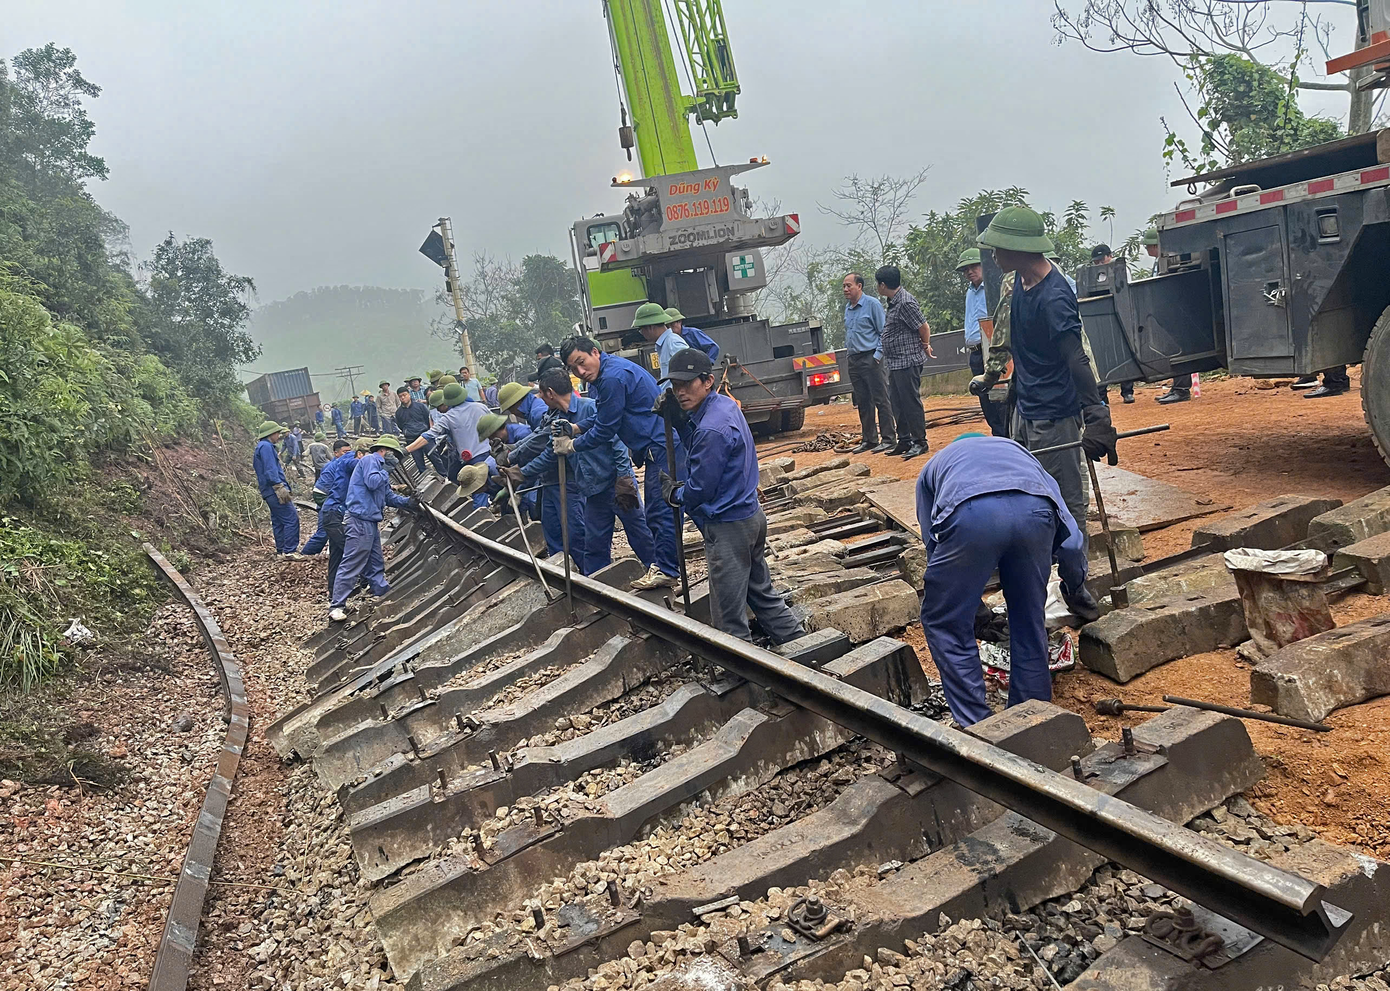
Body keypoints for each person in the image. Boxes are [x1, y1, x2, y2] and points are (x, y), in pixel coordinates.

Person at [915, 434, 1096, 726]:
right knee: (1029, 620)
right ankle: (1032, 719)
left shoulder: (932, 468)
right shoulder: (1023, 457)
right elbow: (1073, 544)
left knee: (945, 622)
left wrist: (973, 612)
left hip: (971, 515)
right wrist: (1075, 590)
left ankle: (978, 725)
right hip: (1036, 514)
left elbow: (935, 548)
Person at [975, 206, 1118, 556]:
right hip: (1026, 409)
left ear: (1018, 249)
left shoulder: (1054, 296)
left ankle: (1075, 575)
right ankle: (1043, 567)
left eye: (998, 248)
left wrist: (1097, 414)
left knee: (1065, 503)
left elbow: (1075, 357)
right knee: (1031, 495)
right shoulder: (1019, 284)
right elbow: (1017, 343)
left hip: (1054, 416)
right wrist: (1007, 386)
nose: (993, 256)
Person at [661, 349, 802, 644]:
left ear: (708, 381)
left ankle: (741, 668)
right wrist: (682, 424)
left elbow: (701, 488)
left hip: (729, 527)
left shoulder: (711, 429)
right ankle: (802, 645)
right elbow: (704, 451)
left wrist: (676, 495)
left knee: (728, 618)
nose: (680, 392)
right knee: (762, 594)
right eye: (675, 385)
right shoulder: (723, 406)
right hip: (750, 517)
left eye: (687, 384)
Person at [559, 336, 684, 590]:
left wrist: (573, 445)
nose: (580, 371)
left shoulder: (612, 378)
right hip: (660, 445)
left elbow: (606, 428)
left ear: (595, 352)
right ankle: (671, 569)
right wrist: (577, 427)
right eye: (573, 368)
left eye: (581, 362)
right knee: (664, 510)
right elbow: (604, 414)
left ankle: (668, 570)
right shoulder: (607, 374)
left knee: (662, 512)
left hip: (662, 446)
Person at [509, 367, 654, 574]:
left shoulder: (591, 408)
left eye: (541, 393)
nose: (539, 397)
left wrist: (624, 477)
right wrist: (522, 473)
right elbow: (552, 453)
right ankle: (597, 582)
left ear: (550, 393)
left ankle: (657, 570)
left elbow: (617, 442)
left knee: (638, 532)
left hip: (615, 483)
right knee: (594, 543)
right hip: (592, 489)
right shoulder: (557, 421)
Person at [501, 373, 590, 563]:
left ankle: (584, 570)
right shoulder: (549, 411)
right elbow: (538, 436)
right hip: (551, 479)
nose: (538, 396)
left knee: (574, 532)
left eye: (541, 393)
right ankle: (562, 568)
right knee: (552, 529)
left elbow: (544, 446)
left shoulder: (541, 411)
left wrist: (516, 464)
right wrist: (512, 450)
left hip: (566, 478)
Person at [329, 435, 418, 622]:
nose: (395, 460)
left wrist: (408, 502)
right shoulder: (371, 460)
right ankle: (337, 606)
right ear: (384, 451)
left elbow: (388, 497)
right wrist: (385, 470)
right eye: (393, 455)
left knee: (376, 561)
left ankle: (381, 591)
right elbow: (372, 482)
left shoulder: (379, 469)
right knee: (352, 562)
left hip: (369, 521)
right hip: (359, 520)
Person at [875, 265, 934, 460]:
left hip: (907, 360)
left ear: (883, 285)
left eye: (878, 284)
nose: (877, 287)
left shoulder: (905, 302)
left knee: (910, 402)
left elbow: (923, 327)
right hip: (895, 362)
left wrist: (925, 345)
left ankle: (920, 442)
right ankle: (905, 440)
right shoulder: (893, 302)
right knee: (897, 403)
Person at [841, 272, 896, 454]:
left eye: (849, 285)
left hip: (870, 357)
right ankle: (869, 440)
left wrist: (877, 356)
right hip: (854, 359)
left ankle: (888, 439)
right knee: (863, 401)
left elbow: (883, 332)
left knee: (881, 399)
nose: (845, 289)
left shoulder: (872, 304)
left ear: (859, 286)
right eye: (844, 286)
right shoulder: (848, 308)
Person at [956, 250, 1009, 436]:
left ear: (984, 266)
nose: (969, 272)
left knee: (1000, 397)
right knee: (985, 400)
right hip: (976, 353)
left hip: (992, 351)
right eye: (965, 269)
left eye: (974, 266)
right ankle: (997, 435)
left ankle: (1007, 438)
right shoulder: (970, 292)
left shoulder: (995, 288)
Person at [300, 439, 357, 595]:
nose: (348, 455)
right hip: (329, 506)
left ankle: (335, 588)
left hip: (332, 505)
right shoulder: (334, 466)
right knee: (327, 533)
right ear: (336, 453)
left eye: (350, 452)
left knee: (335, 546)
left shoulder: (341, 464)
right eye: (345, 452)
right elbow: (319, 492)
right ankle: (306, 555)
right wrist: (335, 507)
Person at [405, 382, 490, 482]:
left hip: (472, 458)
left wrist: (407, 450)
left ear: (445, 403)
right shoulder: (480, 407)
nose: (438, 411)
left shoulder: (449, 417)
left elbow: (428, 436)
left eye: (438, 407)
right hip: (488, 453)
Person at [1089, 244, 1135, 404]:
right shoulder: (1093, 274)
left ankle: (1127, 391)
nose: (1099, 264)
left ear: (1110, 256)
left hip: (1122, 315)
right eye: (1096, 262)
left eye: (1102, 260)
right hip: (1101, 317)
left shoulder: (1122, 270)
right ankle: (1101, 394)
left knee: (1124, 352)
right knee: (1101, 355)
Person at [253, 421, 303, 558]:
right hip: (274, 490)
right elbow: (270, 470)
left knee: (278, 521)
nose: (279, 436)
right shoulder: (266, 447)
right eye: (277, 433)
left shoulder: (261, 447)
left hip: (268, 491)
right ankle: (290, 551)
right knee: (291, 518)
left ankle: (281, 550)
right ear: (271, 434)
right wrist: (279, 486)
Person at [631, 301, 689, 382]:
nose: (642, 334)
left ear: (650, 327)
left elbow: (688, 370)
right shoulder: (665, 344)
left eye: (641, 330)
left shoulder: (673, 342)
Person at [394, 386, 430, 472]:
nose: (403, 397)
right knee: (418, 460)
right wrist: (407, 431)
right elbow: (400, 425)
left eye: (404, 395)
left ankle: (442, 474)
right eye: (400, 396)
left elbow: (427, 418)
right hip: (411, 438)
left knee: (433, 455)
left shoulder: (420, 406)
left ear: (409, 395)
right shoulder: (399, 412)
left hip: (424, 436)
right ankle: (424, 474)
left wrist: (426, 428)